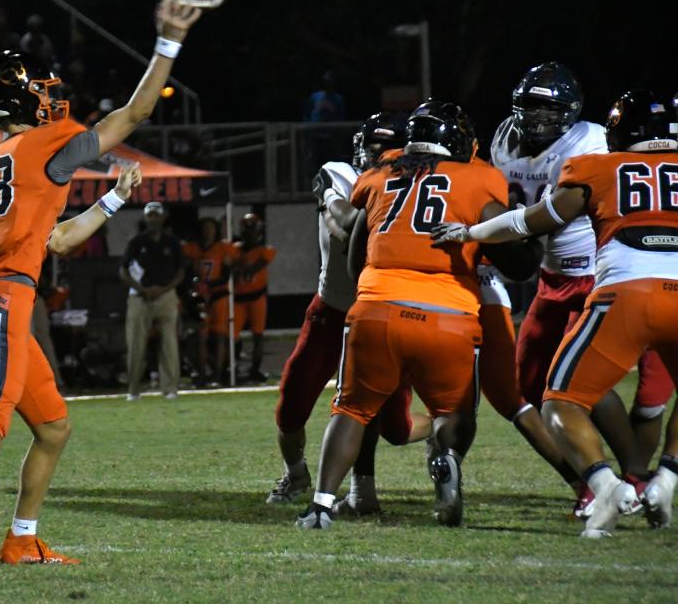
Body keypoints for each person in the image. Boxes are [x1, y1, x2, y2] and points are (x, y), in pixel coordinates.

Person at [0, 0, 203, 577]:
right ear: (22, 97)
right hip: (4, 303)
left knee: (54, 428)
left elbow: (55, 239)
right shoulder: (44, 144)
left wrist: (112, 199)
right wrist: (169, 42)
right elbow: (133, 115)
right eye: (39, 86)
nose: (50, 94)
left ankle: (23, 540)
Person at [431, 90, 678, 537]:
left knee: (560, 401)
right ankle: (666, 479)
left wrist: (469, 231)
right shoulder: (518, 141)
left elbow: (529, 221)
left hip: (623, 289)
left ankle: (608, 485)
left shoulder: (597, 164)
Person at [296, 101, 534, 530]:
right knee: (453, 413)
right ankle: (446, 461)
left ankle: (322, 504)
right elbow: (511, 250)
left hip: (377, 307)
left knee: (350, 409)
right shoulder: (480, 177)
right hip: (449, 313)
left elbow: (356, 260)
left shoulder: (376, 176)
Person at [490, 62, 662, 516]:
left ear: (570, 112)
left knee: (583, 379)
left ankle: (634, 478)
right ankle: (584, 481)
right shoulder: (504, 139)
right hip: (550, 273)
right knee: (527, 380)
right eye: (530, 106)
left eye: (549, 109)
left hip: (593, 269)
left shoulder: (590, 141)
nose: (538, 117)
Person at [266, 113, 406, 504]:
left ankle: (439, 442)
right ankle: (296, 475)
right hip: (332, 309)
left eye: (388, 149)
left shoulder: (412, 187)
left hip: (380, 311)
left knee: (395, 425)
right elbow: (343, 224)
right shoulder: (339, 173)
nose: (378, 156)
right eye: (373, 148)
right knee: (292, 404)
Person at [120, 202, 185, 400]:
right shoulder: (136, 242)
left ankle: (170, 388)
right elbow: (123, 271)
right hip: (140, 297)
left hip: (165, 295)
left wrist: (164, 289)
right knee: (136, 343)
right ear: (146, 218)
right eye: (150, 215)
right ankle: (133, 389)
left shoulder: (172, 242)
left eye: (157, 215)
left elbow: (180, 270)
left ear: (163, 217)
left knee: (170, 343)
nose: (153, 219)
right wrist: (143, 290)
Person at [182, 217, 234, 387]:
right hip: (200, 298)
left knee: (219, 335)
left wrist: (209, 284)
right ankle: (202, 373)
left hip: (218, 295)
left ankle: (218, 375)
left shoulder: (223, 249)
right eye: (205, 227)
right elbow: (186, 269)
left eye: (210, 227)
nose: (208, 231)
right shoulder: (193, 249)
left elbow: (227, 274)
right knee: (200, 337)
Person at [231, 213, 276, 383]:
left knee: (258, 335)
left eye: (253, 230)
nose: (250, 234)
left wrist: (239, 262)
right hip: (238, 298)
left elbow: (255, 267)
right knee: (232, 335)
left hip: (257, 297)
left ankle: (255, 369)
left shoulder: (265, 250)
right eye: (247, 229)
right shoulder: (234, 249)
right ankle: (233, 366)